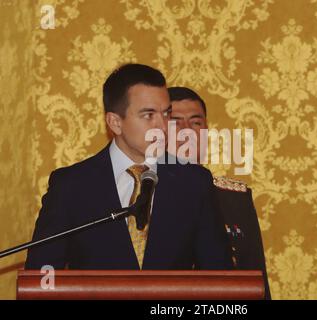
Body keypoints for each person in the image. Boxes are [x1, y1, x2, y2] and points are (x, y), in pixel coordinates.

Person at [25, 64, 233, 270]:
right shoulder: (71, 186)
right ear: (115, 122)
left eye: (166, 114)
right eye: (148, 115)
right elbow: (42, 277)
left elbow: (219, 277)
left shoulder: (194, 182)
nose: (162, 126)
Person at [168, 86, 271, 299]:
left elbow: (254, 280)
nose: (187, 132)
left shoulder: (235, 198)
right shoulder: (140, 196)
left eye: (196, 123)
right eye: (175, 123)